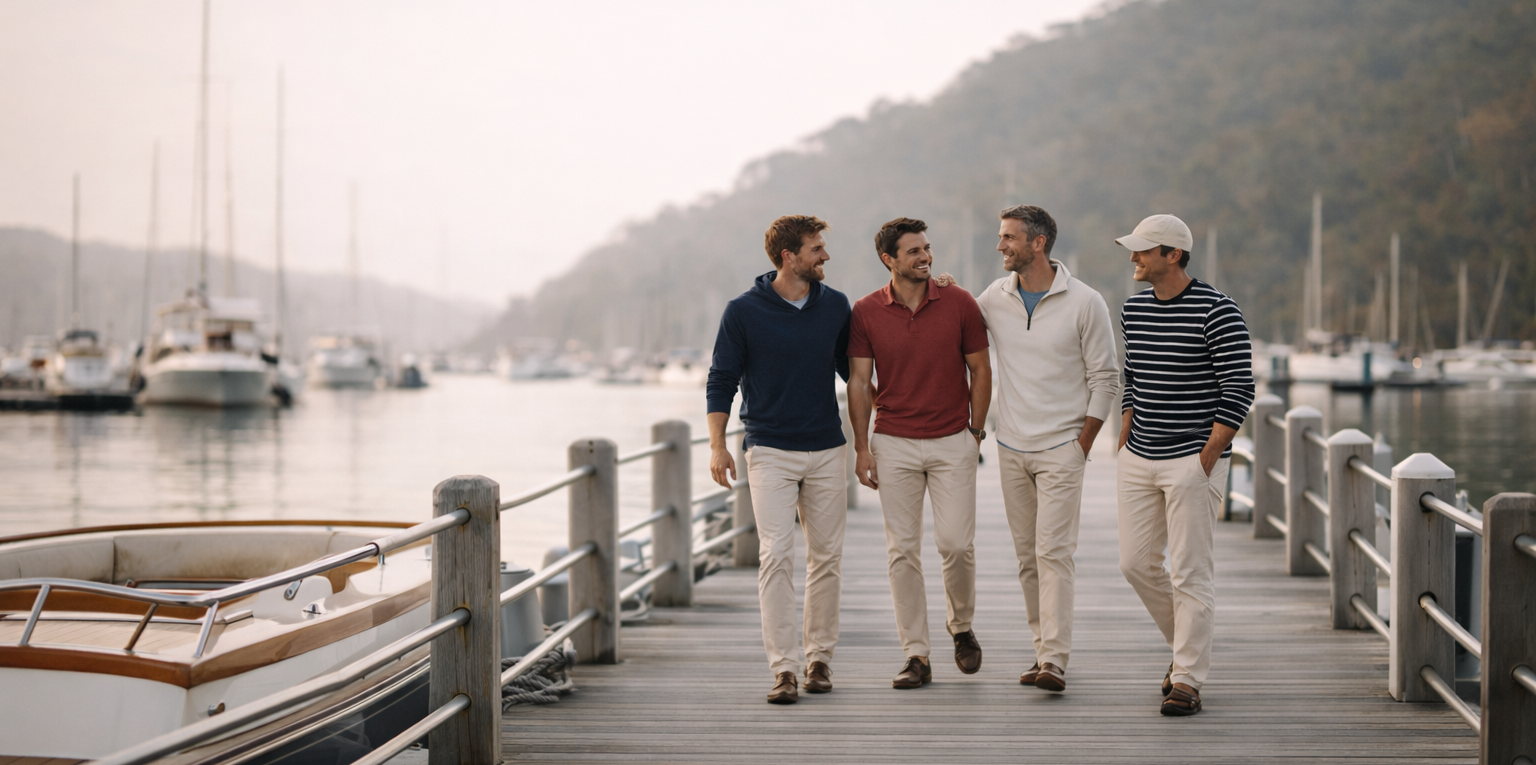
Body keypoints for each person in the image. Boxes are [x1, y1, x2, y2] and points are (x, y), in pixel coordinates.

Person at [706, 214, 852, 705]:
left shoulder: (835, 306)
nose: (825, 255)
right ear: (789, 256)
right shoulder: (742, 311)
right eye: (816, 248)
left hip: (828, 449)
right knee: (775, 556)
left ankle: (819, 661)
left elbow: (856, 372)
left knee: (826, 558)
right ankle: (784, 669)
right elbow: (721, 380)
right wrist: (717, 444)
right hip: (768, 450)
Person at [1113, 213, 1255, 716]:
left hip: (1193, 459)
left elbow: (1240, 390)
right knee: (1135, 564)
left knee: (1190, 573)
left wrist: (1206, 458)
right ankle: (1186, 652)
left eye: (1144, 250)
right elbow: (1133, 377)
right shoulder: (1134, 310)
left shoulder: (1218, 311)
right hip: (1139, 458)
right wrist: (1125, 435)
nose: (1133, 257)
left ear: (1173, 255)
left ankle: (1188, 680)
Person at [976, 204, 1119, 693]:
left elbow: (1106, 379)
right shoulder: (993, 297)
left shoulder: (1086, 302)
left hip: (1063, 447)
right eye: (1000, 236)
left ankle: (1055, 660)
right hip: (1010, 447)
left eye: (1009, 237)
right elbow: (953, 325)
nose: (1000, 246)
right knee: (1026, 556)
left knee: (1053, 552)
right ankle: (1043, 651)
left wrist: (1083, 445)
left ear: (1038, 243)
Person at [846, 217, 991, 690]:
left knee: (955, 545)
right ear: (889, 259)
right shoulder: (866, 312)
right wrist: (863, 447)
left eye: (927, 249)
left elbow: (980, 369)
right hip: (894, 442)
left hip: (953, 440)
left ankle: (961, 626)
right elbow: (860, 382)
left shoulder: (959, 302)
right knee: (901, 551)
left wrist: (976, 431)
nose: (925, 257)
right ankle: (916, 655)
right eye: (913, 251)